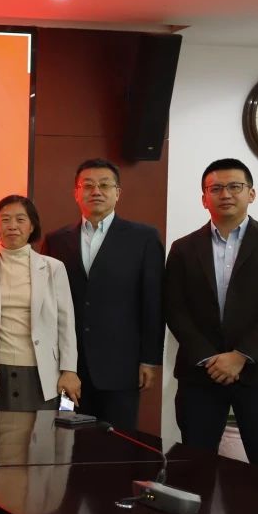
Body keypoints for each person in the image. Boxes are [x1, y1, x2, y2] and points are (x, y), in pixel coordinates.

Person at [165, 158, 258, 471]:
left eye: (235, 186)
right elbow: (175, 308)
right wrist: (209, 358)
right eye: (216, 188)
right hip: (201, 373)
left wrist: (241, 356)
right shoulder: (183, 248)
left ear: (251, 194)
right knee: (194, 466)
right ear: (204, 198)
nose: (225, 194)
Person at [40, 158, 164, 432]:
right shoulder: (56, 240)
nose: (96, 191)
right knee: (68, 440)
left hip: (121, 365)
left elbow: (153, 302)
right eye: (88, 186)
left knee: (117, 440)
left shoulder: (143, 238)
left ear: (118, 193)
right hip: (69, 366)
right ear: (76, 193)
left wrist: (149, 359)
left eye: (105, 185)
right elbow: (47, 303)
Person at [0, 195, 80, 411]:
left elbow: (66, 323)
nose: (12, 226)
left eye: (20, 219)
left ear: (32, 226)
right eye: (5, 219)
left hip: (42, 370)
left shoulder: (53, 268)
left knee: (41, 432)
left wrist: (69, 370)